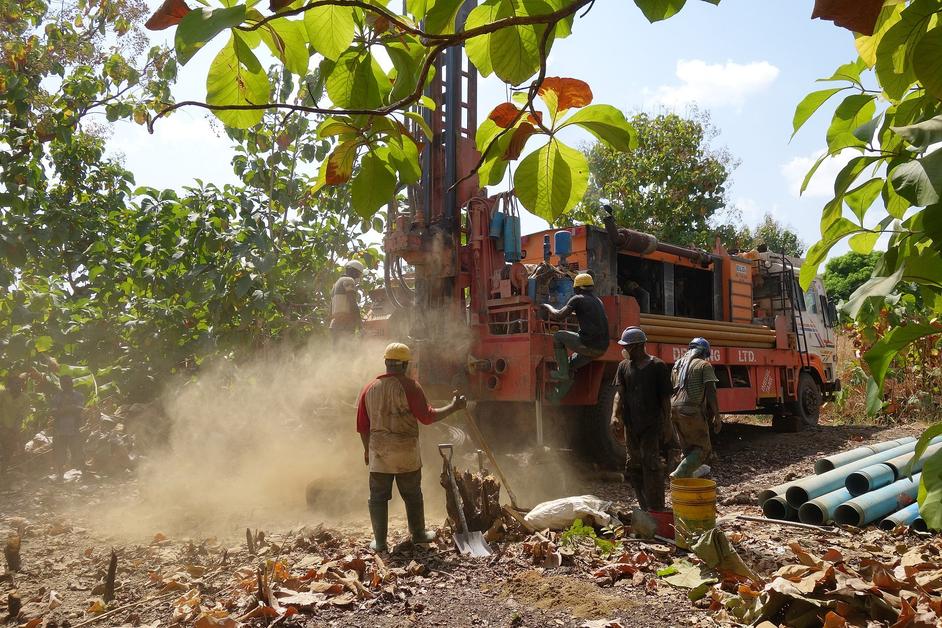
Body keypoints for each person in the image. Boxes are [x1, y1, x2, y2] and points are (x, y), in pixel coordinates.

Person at [356, 342, 467, 553]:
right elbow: (427, 417)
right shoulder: (411, 387)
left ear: (387, 363)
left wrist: (367, 450)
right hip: (406, 453)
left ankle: (380, 543)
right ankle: (418, 535)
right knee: (413, 494)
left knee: (378, 497)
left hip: (379, 453)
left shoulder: (369, 389)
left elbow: (362, 426)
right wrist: (454, 407)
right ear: (406, 365)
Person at [610, 327, 673, 511]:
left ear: (637, 346)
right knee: (634, 466)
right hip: (631, 425)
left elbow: (665, 398)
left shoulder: (658, 366)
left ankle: (656, 508)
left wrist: (667, 423)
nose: (624, 349)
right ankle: (644, 506)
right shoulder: (624, 367)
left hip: (651, 425)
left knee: (651, 465)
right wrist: (614, 415)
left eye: (626, 346)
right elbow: (619, 394)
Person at [541, 273, 610, 404]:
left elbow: (558, 316)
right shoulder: (597, 301)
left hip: (587, 344)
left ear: (577, 288)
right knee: (570, 366)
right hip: (601, 349)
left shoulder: (577, 299)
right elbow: (583, 315)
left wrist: (547, 306)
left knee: (558, 336)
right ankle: (555, 397)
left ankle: (562, 373)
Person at [669, 337, 721, 479]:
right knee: (704, 449)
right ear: (704, 353)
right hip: (691, 409)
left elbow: (672, 388)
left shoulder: (677, 365)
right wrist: (717, 416)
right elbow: (711, 391)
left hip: (674, 409)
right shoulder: (704, 365)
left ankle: (686, 483)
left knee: (688, 450)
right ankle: (679, 474)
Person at [49, 375, 86, 480]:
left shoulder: (79, 395)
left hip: (74, 426)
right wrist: (70, 408)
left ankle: (84, 473)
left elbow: (78, 411)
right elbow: (53, 413)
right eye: (66, 383)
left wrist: (61, 410)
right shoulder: (56, 398)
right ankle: (60, 474)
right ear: (61, 384)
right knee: (59, 451)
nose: (68, 384)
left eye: (70, 382)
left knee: (77, 450)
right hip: (59, 428)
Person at [329, 260, 364, 352]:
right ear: (353, 271)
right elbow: (353, 305)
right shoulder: (349, 280)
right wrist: (361, 327)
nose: (358, 277)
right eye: (358, 274)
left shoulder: (336, 284)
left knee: (338, 354)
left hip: (334, 325)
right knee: (348, 355)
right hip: (345, 325)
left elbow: (330, 310)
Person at [0, 374, 30, 474]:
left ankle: (3, 473)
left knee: (8, 452)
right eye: (15, 383)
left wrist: (11, 432)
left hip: (13, 429)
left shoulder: (25, 398)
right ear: (9, 385)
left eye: (20, 383)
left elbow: (20, 417)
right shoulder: (3, 394)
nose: (18, 385)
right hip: (1, 425)